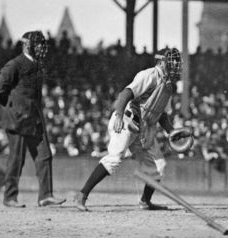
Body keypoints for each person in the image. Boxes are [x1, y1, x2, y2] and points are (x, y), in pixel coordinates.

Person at [74, 48, 182, 212]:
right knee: (115, 159)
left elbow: (161, 114)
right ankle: (82, 194)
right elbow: (126, 93)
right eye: (171, 61)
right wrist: (118, 115)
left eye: (176, 61)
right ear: (161, 62)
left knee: (158, 166)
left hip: (143, 128)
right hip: (126, 120)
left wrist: (171, 131)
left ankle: (145, 201)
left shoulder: (168, 86)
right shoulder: (149, 75)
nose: (175, 64)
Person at [0, 31, 65, 208]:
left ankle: (45, 196)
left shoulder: (38, 65)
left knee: (45, 156)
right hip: (17, 120)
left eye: (42, 44)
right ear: (26, 45)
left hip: (34, 119)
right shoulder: (14, 64)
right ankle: (10, 197)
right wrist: (11, 106)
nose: (41, 48)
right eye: (38, 44)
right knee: (16, 159)